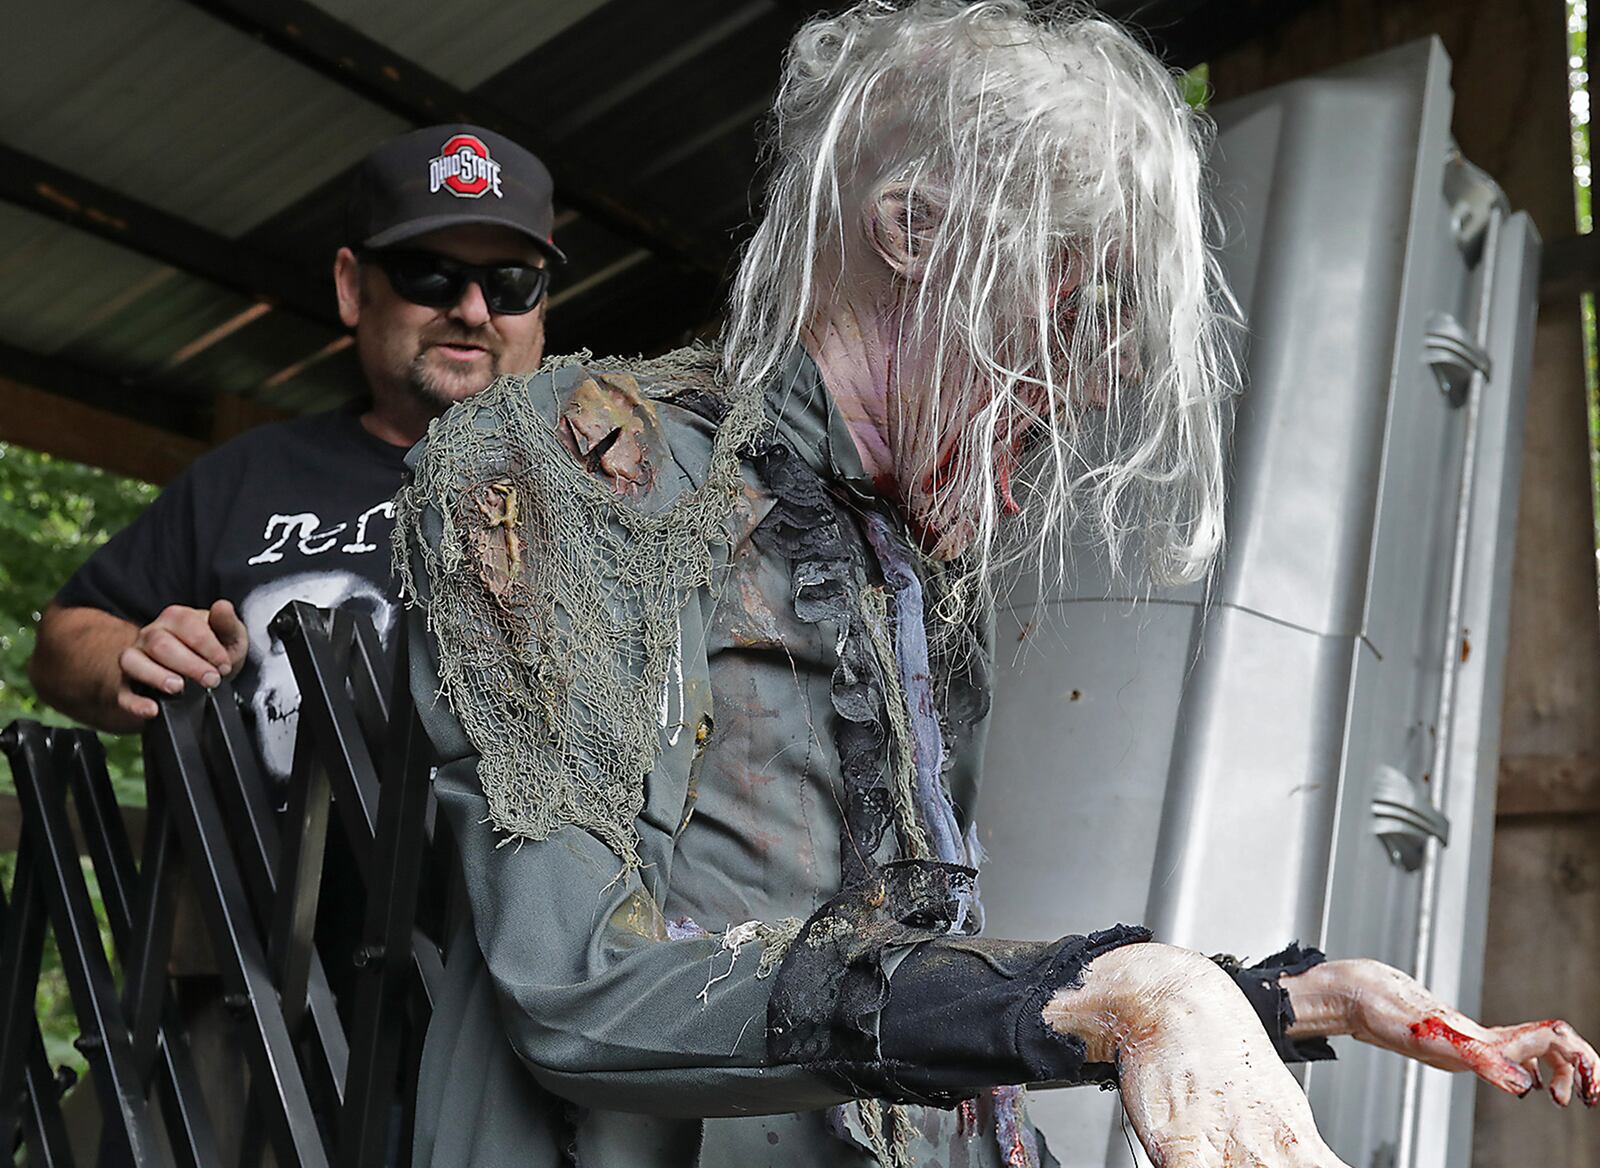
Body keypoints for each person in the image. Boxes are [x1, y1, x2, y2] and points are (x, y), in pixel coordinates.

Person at [394, 4, 1597, 1167]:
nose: (1097, 370)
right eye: (1073, 302)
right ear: (912, 229)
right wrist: (1100, 993)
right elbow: (583, 995)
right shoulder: (578, 458)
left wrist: (1270, 998)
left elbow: (910, 978)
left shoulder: (892, 559)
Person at [28, 124, 563, 784]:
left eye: (511, 282)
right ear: (350, 286)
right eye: (429, 274)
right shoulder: (245, 476)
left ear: (542, 307)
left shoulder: (618, 494)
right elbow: (62, 637)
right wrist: (138, 652)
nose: (474, 309)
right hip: (263, 886)